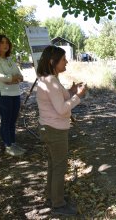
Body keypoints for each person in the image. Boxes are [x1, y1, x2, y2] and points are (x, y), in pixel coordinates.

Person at [36, 45, 87, 216]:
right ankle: (58, 204)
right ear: (53, 61)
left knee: (53, 164)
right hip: (55, 130)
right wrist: (78, 97)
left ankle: (51, 195)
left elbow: (58, 97)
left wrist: (71, 91)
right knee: (59, 166)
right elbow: (61, 109)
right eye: (64, 59)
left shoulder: (48, 78)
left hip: (49, 128)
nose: (67, 62)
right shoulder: (51, 81)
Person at [0, 35, 25, 156]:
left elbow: (20, 76)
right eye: (2, 42)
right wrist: (11, 78)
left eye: (7, 42)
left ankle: (13, 143)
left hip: (15, 92)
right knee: (6, 120)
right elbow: (3, 78)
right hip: (2, 93)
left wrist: (12, 79)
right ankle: (8, 146)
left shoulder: (10, 60)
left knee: (13, 120)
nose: (5, 45)